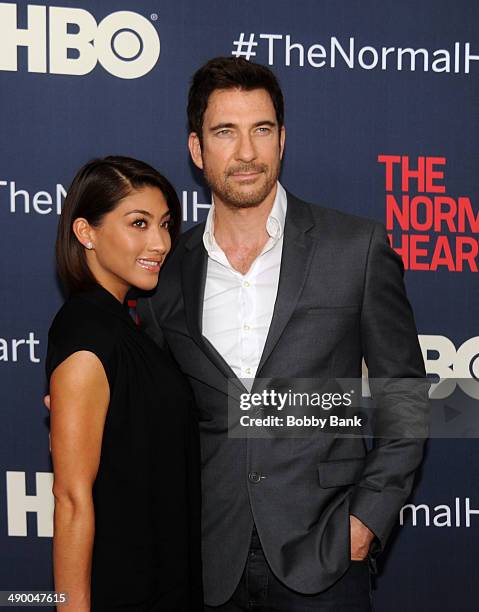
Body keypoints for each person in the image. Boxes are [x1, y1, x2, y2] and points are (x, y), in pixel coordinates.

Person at [137, 58, 429, 611]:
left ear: (282, 139)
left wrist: (367, 518)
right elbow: (154, 407)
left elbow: (406, 398)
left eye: (261, 130)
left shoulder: (356, 248)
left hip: (325, 553)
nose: (246, 152)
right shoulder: (166, 273)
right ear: (197, 150)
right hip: (205, 561)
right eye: (226, 132)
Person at [46, 156, 202, 611]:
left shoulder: (124, 328)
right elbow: (71, 499)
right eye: (139, 223)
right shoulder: (85, 331)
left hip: (164, 581)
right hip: (126, 592)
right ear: (85, 232)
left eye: (165, 224)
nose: (160, 242)